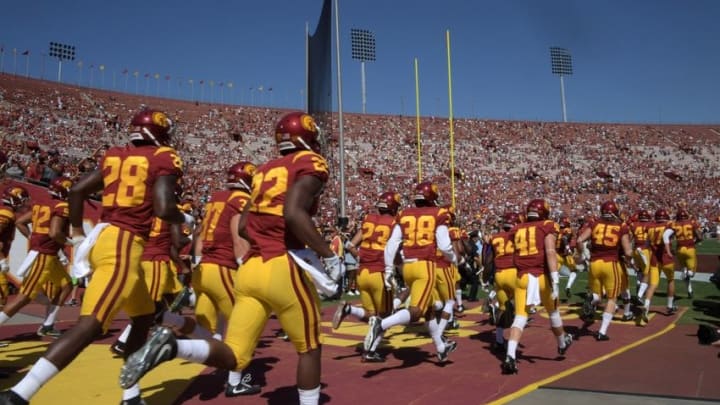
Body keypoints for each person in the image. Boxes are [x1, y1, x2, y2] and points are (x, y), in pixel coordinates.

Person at [118, 111, 341, 405]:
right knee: (310, 347)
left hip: (250, 270)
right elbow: (293, 212)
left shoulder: (263, 170)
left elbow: (247, 227)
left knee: (235, 354)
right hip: (280, 263)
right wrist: (328, 255)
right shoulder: (310, 162)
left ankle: (173, 348)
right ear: (307, 136)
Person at [0, 107, 185, 405]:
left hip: (106, 238)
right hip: (125, 244)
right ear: (160, 133)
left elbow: (76, 191)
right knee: (91, 324)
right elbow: (164, 208)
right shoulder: (164, 157)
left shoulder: (116, 155)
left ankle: (131, 393)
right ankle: (19, 394)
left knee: (143, 318)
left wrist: (75, 233)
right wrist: (184, 220)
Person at [363, 181, 459, 363]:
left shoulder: (404, 214)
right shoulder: (438, 213)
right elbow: (445, 245)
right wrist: (453, 258)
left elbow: (391, 244)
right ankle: (381, 324)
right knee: (417, 311)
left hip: (408, 266)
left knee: (429, 310)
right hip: (426, 266)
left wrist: (390, 268)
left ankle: (441, 347)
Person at [501, 198, 573, 374]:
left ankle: (510, 355)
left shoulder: (517, 228)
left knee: (519, 317)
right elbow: (549, 251)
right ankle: (562, 343)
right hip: (541, 277)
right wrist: (556, 279)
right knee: (553, 312)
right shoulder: (547, 225)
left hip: (522, 277)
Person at [0, 177, 75, 338]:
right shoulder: (62, 206)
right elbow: (54, 233)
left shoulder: (42, 202)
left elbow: (21, 221)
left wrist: (33, 237)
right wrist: (71, 242)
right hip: (44, 255)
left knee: (66, 285)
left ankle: (48, 325)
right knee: (25, 296)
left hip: (49, 254)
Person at [335, 191, 401, 362]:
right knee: (385, 316)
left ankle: (349, 310)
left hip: (362, 273)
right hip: (379, 273)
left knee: (372, 315)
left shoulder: (368, 219)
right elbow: (395, 251)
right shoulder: (394, 223)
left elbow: (349, 245)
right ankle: (370, 351)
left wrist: (362, 256)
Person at [575, 201, 634, 341]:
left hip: (594, 263)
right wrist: (630, 259)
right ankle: (602, 331)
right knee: (612, 298)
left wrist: (582, 254)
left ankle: (592, 299)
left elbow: (579, 240)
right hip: (611, 263)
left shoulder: (594, 223)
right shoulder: (621, 226)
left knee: (597, 295)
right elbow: (627, 251)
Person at [487, 211, 521, 353]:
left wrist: (484, 276)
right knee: (522, 310)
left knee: (502, 308)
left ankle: (499, 340)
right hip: (514, 273)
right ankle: (513, 344)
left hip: (499, 274)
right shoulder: (518, 236)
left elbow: (488, 260)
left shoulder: (495, 238)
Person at [0, 186, 30, 309]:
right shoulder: (6, 214)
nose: (24, 203)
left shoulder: (7, 213)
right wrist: (2, 260)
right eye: (22, 199)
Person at [672, 208, 702, 298]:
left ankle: (689, 290)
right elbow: (700, 237)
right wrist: (693, 242)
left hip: (679, 249)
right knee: (691, 273)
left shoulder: (674, 224)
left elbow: (667, 236)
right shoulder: (691, 222)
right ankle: (688, 273)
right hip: (690, 249)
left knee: (684, 270)